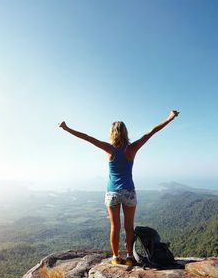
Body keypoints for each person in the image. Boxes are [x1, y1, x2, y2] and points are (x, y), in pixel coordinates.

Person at [58, 110, 179, 265]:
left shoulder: (109, 149)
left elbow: (87, 138)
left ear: (112, 133)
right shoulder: (132, 148)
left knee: (115, 226)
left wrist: (66, 128)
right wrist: (170, 118)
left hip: (112, 192)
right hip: (128, 192)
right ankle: (129, 257)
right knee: (129, 227)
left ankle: (115, 257)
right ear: (126, 132)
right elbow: (151, 132)